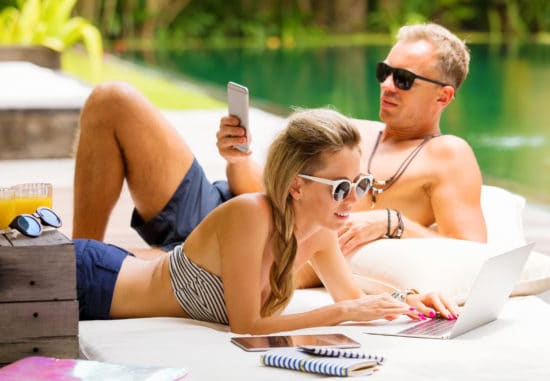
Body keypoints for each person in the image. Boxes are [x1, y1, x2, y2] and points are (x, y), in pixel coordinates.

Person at [73, 22, 485, 257]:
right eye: (384, 72)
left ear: (443, 96)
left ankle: (81, 269)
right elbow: (265, 190)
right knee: (112, 100)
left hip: (254, 244)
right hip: (227, 208)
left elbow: (472, 250)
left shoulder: (447, 155)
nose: (388, 85)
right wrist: (236, 157)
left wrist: (393, 222)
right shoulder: (354, 132)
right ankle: (76, 259)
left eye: (405, 79)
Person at [74, 108, 459, 333]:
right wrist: (341, 314)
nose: (355, 199)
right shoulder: (251, 215)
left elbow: (353, 298)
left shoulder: (320, 232)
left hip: (105, 278)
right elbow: (247, 325)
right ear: (296, 186)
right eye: (341, 187)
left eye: (360, 183)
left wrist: (408, 301)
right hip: (91, 281)